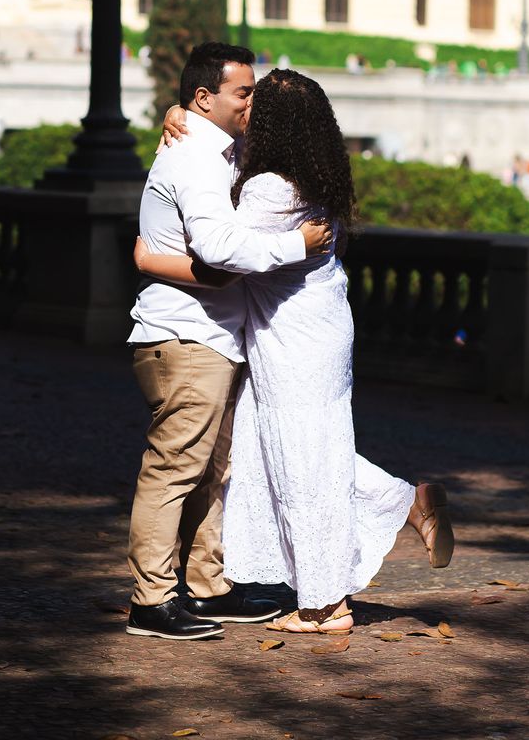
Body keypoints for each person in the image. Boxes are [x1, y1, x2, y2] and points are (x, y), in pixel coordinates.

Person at [137, 68, 454, 635]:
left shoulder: (269, 188)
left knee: (299, 460)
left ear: (275, 126)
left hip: (291, 339)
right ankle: (406, 506)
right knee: (302, 449)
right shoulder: (316, 178)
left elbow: (222, 254)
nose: (247, 111)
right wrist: (180, 114)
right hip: (322, 329)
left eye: (256, 105)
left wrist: (147, 258)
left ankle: (326, 605)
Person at [126, 44, 333, 642]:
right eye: (244, 93)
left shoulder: (214, 149)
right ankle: (151, 600)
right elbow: (218, 251)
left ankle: (207, 584)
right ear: (204, 98)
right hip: (185, 335)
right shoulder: (195, 158)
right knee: (174, 470)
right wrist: (296, 246)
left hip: (211, 336)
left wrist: (177, 113)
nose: (252, 103)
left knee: (211, 470)